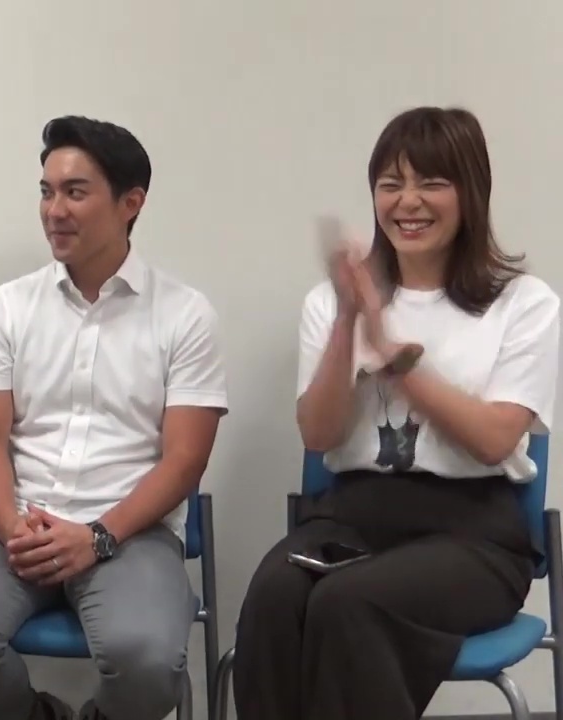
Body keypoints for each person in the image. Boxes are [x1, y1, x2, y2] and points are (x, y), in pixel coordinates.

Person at [231, 106, 559, 720]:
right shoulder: (331, 302)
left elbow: (495, 440)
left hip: (474, 536)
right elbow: (319, 433)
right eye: (390, 184)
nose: (408, 202)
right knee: (275, 595)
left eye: (431, 182)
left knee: (349, 603)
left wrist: (392, 357)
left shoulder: (524, 303)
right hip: (351, 517)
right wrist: (350, 320)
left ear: (471, 191)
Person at [0, 115, 230, 720]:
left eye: (75, 192)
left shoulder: (185, 316)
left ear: (130, 203)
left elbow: (185, 459)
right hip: (22, 523)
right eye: (46, 192)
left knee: (148, 662)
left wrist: (98, 537)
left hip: (130, 533)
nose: (54, 211)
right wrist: (11, 525)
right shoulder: (8, 307)